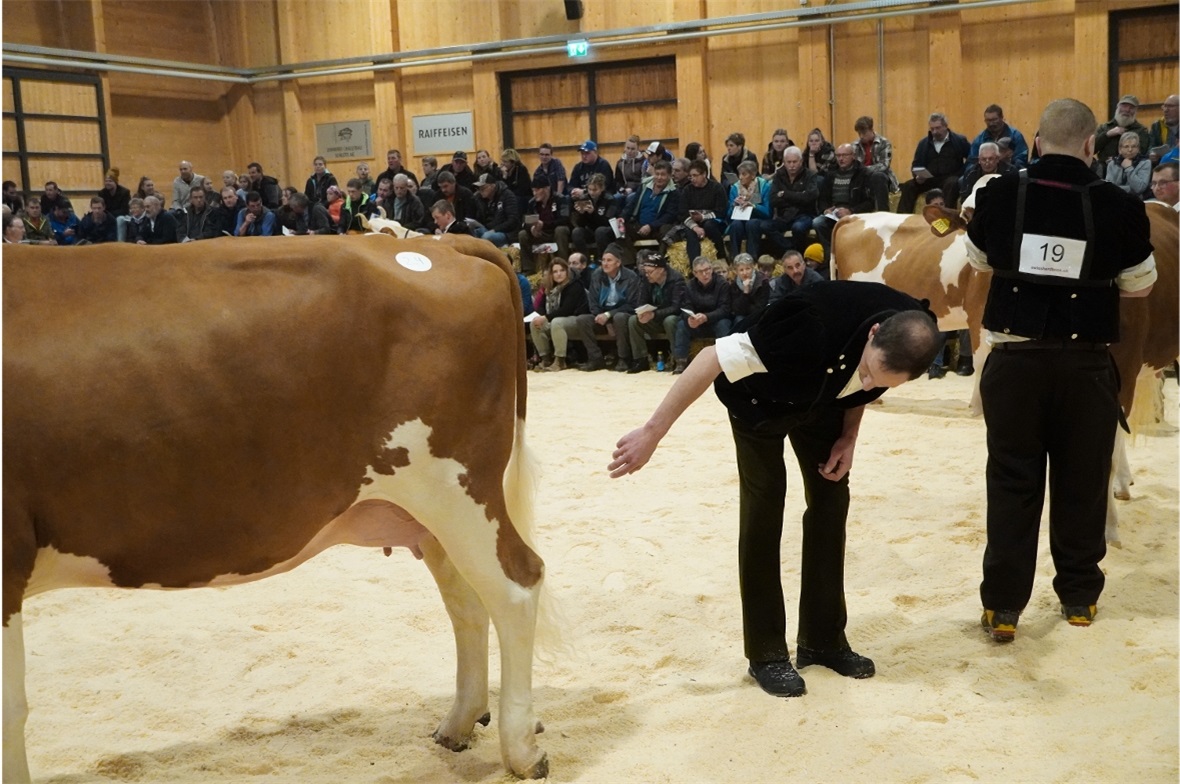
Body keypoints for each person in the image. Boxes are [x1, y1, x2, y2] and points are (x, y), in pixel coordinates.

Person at [609, 280, 940, 697]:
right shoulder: (806, 326)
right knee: (766, 507)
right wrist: (652, 433)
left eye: (883, 382)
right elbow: (711, 357)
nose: (870, 380)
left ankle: (823, 642)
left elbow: (863, 385)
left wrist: (849, 437)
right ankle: (766, 653)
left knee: (831, 503)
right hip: (759, 401)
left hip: (823, 401)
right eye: (870, 368)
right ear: (873, 333)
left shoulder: (911, 327)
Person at [964, 97, 1157, 643]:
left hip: (1015, 363)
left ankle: (1002, 607)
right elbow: (1141, 285)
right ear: (1092, 146)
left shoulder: (1001, 194)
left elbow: (977, 262)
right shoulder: (1121, 205)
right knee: (1082, 482)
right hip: (1086, 367)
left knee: (1011, 481)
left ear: (1038, 143)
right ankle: (1078, 599)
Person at [574, 242, 641, 371]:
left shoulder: (631, 277)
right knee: (582, 320)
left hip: (622, 314)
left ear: (618, 263)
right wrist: (605, 320)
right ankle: (596, 359)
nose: (605, 263)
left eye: (609, 260)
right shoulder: (597, 275)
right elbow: (592, 302)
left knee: (620, 318)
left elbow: (632, 304)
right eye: (603, 260)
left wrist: (609, 316)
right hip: (602, 315)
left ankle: (623, 358)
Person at [627, 249, 688, 373]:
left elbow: (676, 308)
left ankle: (678, 360)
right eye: (645, 272)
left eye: (650, 272)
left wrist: (654, 314)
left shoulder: (676, 279)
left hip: (673, 317)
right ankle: (641, 359)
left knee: (670, 321)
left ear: (661, 270)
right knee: (633, 320)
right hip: (654, 317)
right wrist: (642, 312)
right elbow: (641, 300)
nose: (647, 275)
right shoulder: (646, 279)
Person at [897, 113, 971, 212]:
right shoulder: (923, 143)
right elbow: (916, 164)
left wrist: (961, 174)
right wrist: (917, 176)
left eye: (938, 128)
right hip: (929, 179)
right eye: (932, 129)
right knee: (908, 186)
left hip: (950, 178)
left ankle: (947, 217)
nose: (935, 132)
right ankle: (903, 218)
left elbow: (970, 159)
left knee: (952, 184)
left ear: (945, 126)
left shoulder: (959, 141)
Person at [673, 256, 734, 374]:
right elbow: (686, 306)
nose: (705, 274)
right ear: (695, 273)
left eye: (708, 269)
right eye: (701, 272)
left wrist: (706, 317)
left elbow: (725, 309)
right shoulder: (689, 286)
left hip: (715, 320)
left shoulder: (722, 284)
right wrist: (689, 318)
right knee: (682, 325)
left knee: (724, 324)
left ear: (712, 269)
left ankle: (726, 360)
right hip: (697, 322)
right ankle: (680, 361)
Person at [529, 257, 589, 372]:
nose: (559, 274)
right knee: (534, 323)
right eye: (555, 272)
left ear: (567, 271)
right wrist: (540, 317)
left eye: (561, 270)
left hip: (577, 320)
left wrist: (545, 317)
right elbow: (541, 306)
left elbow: (567, 309)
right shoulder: (549, 288)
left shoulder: (575, 285)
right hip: (557, 321)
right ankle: (545, 358)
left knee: (557, 322)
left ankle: (560, 361)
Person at [675, 159, 729, 261]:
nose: (692, 179)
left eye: (695, 175)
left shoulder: (717, 188)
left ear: (704, 174)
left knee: (709, 225)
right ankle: (695, 264)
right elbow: (682, 213)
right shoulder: (687, 190)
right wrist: (695, 227)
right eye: (691, 176)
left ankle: (722, 257)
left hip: (715, 222)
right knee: (689, 232)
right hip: (693, 223)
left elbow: (721, 211)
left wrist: (702, 217)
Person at [519, 172, 571, 274]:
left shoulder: (561, 199)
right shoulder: (532, 203)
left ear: (547, 188)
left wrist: (544, 225)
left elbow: (565, 219)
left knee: (561, 230)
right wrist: (532, 229)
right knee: (522, 234)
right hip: (540, 233)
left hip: (555, 232)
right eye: (533, 190)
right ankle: (528, 269)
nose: (534, 193)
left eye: (537, 190)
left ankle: (562, 265)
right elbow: (525, 221)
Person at [570, 172, 619, 261]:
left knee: (600, 231)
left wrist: (593, 212)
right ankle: (584, 260)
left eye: (595, 190)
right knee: (577, 232)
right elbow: (580, 224)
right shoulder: (584, 198)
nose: (592, 192)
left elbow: (608, 221)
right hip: (590, 230)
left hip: (607, 231)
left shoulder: (610, 200)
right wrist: (581, 214)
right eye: (590, 189)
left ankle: (602, 260)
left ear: (602, 188)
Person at [728, 253, 771, 332]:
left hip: (758, 315)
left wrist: (746, 308)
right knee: (739, 320)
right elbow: (736, 309)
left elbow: (760, 307)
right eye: (741, 270)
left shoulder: (763, 282)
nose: (745, 273)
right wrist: (745, 293)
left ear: (753, 268)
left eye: (748, 269)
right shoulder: (734, 285)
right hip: (742, 316)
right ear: (736, 271)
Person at [1104, 131, 1152, 198]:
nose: (1130, 150)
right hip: (1116, 199)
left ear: (1138, 149)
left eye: (1134, 146)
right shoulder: (1112, 164)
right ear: (1120, 149)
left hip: (1137, 201)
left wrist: (1129, 168)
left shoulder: (1145, 163)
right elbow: (1109, 189)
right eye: (1126, 146)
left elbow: (1139, 188)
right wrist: (1130, 189)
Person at [1147, 94, 1178, 162]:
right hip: (1162, 164)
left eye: (1170, 106)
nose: (1166, 110)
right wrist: (1151, 154)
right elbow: (1151, 146)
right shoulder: (1157, 126)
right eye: (1164, 106)